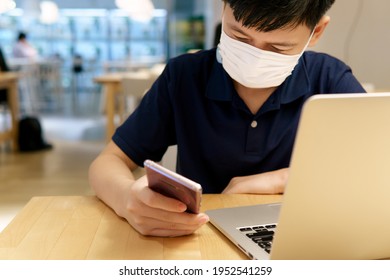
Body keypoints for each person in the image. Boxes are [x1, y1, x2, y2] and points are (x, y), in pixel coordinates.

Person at [89, 0, 366, 237]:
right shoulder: (185, 77)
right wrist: (126, 198)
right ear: (224, 8)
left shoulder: (329, 79)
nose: (255, 58)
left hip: (302, 233)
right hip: (200, 235)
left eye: (277, 48)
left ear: (316, 31)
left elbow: (376, 168)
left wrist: (280, 180)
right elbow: (107, 162)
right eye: (240, 37)